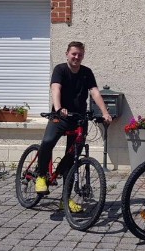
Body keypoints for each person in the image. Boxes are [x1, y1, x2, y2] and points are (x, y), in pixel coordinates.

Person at [35, 41, 113, 212]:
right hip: (60, 116)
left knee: (72, 158)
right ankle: (41, 175)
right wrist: (58, 108)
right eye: (74, 54)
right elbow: (56, 89)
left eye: (80, 54)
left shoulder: (87, 73)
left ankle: (65, 199)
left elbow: (94, 92)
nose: (77, 57)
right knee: (48, 141)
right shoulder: (60, 70)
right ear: (67, 54)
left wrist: (105, 112)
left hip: (78, 118)